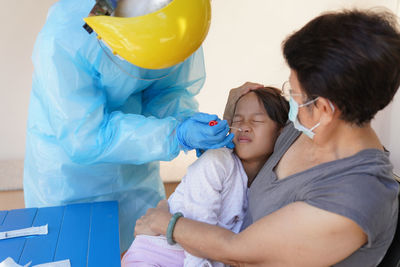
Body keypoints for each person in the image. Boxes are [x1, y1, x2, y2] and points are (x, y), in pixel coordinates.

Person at [135, 9, 400, 266]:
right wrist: (230, 122)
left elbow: (238, 253)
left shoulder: (356, 198)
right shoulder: (302, 130)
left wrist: (165, 223)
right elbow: (240, 171)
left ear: (324, 109)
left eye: (293, 93)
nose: (289, 99)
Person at [23, 0, 233, 252]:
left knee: (144, 249)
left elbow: (169, 91)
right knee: (74, 252)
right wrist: (175, 135)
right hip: (69, 176)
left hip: (135, 165)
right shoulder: (65, 37)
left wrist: (184, 121)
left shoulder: (181, 20)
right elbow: (86, 137)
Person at [122, 87, 289, 266]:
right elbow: (198, 225)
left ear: (281, 132)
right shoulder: (217, 161)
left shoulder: (270, 181)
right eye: (237, 120)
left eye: (256, 121)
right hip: (158, 253)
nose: (243, 127)